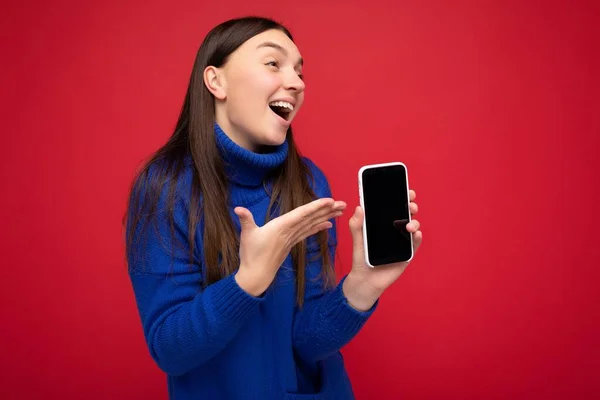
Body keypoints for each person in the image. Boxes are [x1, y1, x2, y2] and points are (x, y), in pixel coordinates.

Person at [124, 15, 422, 400]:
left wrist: (362, 286)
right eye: (273, 63)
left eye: (300, 72)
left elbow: (305, 343)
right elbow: (170, 350)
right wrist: (248, 280)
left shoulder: (308, 182)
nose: (296, 82)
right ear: (216, 81)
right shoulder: (164, 188)